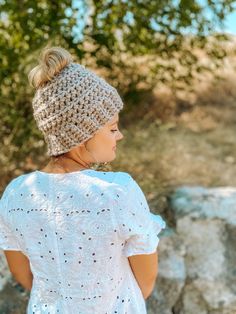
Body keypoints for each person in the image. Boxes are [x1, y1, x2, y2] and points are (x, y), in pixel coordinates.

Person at [0, 46, 166, 314]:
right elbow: (144, 283)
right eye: (112, 128)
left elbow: (24, 277)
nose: (119, 135)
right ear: (81, 133)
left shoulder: (16, 194)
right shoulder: (116, 191)